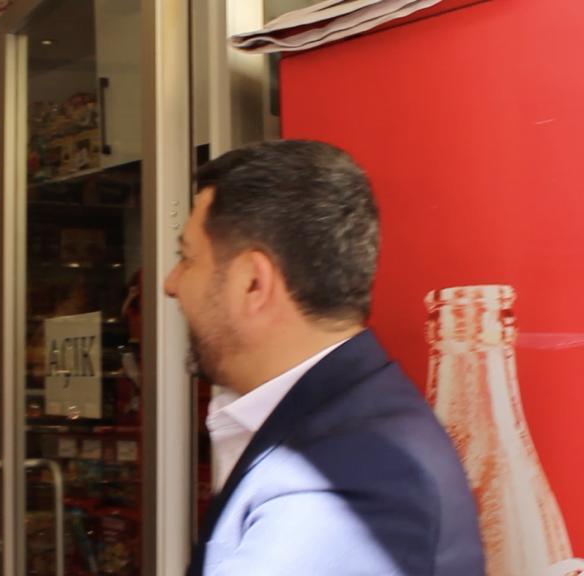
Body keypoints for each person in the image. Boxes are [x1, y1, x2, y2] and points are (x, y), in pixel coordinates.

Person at [167, 141, 484, 575]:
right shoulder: (343, 424)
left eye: (186, 259)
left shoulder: (343, 479)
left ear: (253, 284)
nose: (171, 284)